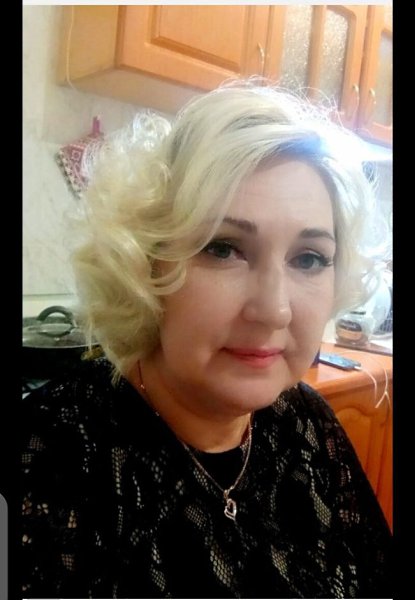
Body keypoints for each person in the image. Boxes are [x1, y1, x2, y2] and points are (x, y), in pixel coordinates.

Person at [22, 80, 391, 598]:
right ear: (146, 262)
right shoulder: (49, 459)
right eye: (223, 248)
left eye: (309, 258)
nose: (274, 310)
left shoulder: (310, 425)